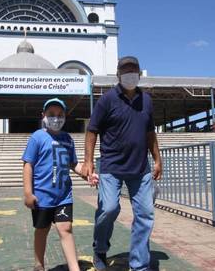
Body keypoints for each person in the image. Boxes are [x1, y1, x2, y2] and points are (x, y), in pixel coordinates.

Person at [81, 56, 163, 271]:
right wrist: (88, 161)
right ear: (118, 74)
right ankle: (100, 248)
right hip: (111, 167)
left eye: (134, 69)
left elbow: (150, 132)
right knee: (108, 209)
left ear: (139, 73)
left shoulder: (146, 100)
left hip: (140, 168)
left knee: (145, 215)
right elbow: (92, 130)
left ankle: (139, 265)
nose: (130, 73)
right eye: (126, 70)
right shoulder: (107, 99)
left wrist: (157, 159)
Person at [22, 98, 98, 271]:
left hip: (64, 195)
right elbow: (28, 165)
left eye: (60, 115)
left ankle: (74, 268)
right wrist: (28, 193)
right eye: (51, 115)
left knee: (66, 228)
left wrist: (88, 175)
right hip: (42, 197)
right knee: (42, 230)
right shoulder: (37, 137)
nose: (56, 118)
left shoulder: (67, 139)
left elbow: (74, 164)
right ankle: (39, 264)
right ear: (43, 116)